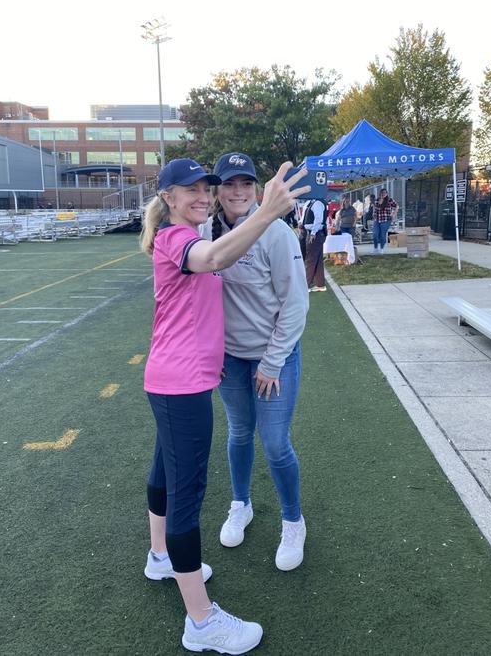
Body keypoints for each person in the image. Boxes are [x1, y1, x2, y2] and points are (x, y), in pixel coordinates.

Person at [141, 157, 309, 654]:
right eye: (189, 189)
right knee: (187, 499)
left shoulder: (197, 232)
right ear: (168, 196)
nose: (204, 195)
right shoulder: (184, 238)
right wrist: (268, 212)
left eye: (204, 189)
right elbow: (213, 260)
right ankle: (202, 621)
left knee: (166, 475)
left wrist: (272, 360)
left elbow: (288, 298)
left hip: (178, 378)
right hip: (184, 382)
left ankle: (158, 557)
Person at [202, 151, 309, 573]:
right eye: (229, 184)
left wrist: (271, 362)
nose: (238, 191)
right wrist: (212, 354)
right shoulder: (205, 232)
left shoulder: (277, 233)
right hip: (230, 359)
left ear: (257, 189)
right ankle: (240, 504)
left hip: (273, 357)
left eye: (246, 183)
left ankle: (293, 520)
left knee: (276, 443)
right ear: (217, 190)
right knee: (239, 433)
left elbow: (296, 305)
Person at [302, 197, 328, 292]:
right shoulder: (313, 202)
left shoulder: (317, 203)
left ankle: (306, 285)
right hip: (316, 232)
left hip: (315, 233)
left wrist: (313, 233)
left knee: (311, 259)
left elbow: (318, 219)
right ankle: (320, 284)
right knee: (317, 260)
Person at [373, 188, 398, 254]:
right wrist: (374, 213)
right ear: (380, 194)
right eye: (382, 193)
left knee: (382, 235)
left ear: (387, 194)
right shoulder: (377, 200)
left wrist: (394, 213)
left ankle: (381, 248)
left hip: (386, 220)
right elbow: (375, 209)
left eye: (385, 193)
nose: (383, 194)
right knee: (375, 234)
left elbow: (397, 206)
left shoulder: (390, 200)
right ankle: (375, 248)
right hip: (377, 220)